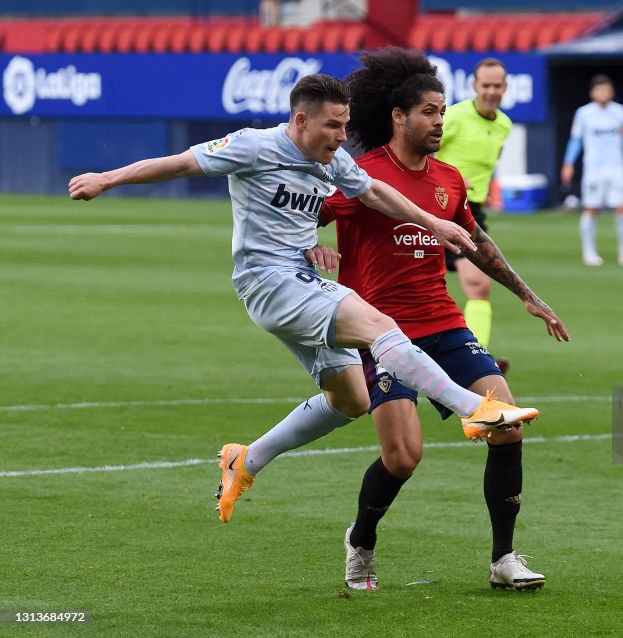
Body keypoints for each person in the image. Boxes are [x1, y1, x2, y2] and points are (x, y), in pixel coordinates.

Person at [66, 73, 540, 525]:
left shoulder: (332, 161)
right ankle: (474, 410)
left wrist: (431, 223)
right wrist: (106, 179)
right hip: (268, 281)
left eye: (345, 124)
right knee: (382, 328)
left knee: (351, 399)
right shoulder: (254, 146)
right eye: (332, 124)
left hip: (299, 281)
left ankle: (246, 458)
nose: (341, 134)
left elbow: (376, 192)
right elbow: (178, 164)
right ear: (300, 120)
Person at [313, 48, 568, 591]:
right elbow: (302, 214)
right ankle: (360, 540)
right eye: (429, 111)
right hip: (382, 331)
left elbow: (476, 242)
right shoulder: (361, 177)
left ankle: (504, 558)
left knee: (505, 422)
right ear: (398, 116)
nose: (440, 121)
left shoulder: (448, 179)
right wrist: (312, 249)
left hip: (443, 321)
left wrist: (528, 295)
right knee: (403, 458)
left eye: (443, 110)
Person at [434, 58, 511, 371]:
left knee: (479, 286)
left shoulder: (504, 125)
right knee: (418, 286)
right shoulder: (453, 117)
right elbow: (421, 152)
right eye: (486, 85)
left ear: (505, 88)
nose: (491, 91)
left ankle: (475, 359)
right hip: (434, 208)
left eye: (497, 86)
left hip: (471, 213)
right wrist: (449, 179)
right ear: (474, 86)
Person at [560, 74, 623, 267]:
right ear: (592, 93)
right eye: (600, 90)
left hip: (617, 167)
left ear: (612, 92)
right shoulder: (584, 113)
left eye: (607, 89)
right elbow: (576, 140)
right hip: (594, 168)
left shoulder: (620, 112)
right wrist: (568, 163)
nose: (604, 93)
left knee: (621, 207)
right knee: (591, 208)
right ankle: (589, 251)